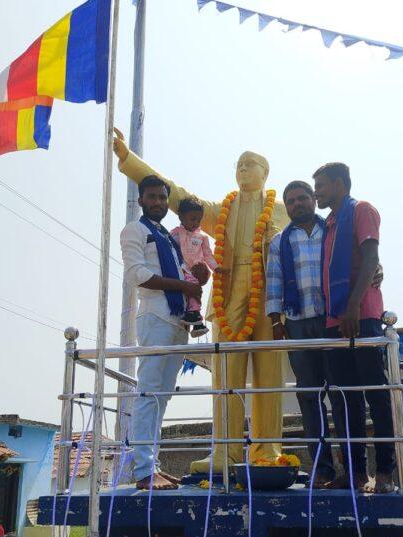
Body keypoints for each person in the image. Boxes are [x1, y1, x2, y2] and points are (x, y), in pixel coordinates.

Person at [114, 128, 289, 473]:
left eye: (250, 164)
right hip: (226, 295)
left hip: (268, 298)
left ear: (265, 173)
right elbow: (175, 195)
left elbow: (314, 237)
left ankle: (268, 450)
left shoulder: (282, 210)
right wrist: (128, 160)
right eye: (238, 164)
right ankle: (226, 451)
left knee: (269, 374)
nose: (242, 169)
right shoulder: (219, 209)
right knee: (225, 373)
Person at [313, 162, 395, 493]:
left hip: (362, 317)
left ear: (338, 184)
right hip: (335, 321)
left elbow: (371, 259)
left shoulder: (361, 210)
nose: (316, 191)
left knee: (376, 393)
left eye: (320, 185)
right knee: (345, 400)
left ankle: (386, 472)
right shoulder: (329, 224)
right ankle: (356, 473)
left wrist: (352, 308)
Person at [120, 175, 202, 490]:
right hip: (154, 316)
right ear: (141, 200)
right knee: (148, 393)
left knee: (162, 397)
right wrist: (182, 285)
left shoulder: (169, 236)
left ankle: (152, 465)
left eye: (162, 198)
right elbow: (136, 274)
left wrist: (197, 277)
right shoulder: (135, 230)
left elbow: (185, 275)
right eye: (152, 197)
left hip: (178, 319)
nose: (157, 203)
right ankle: (142, 472)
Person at [266, 181, 335, 487]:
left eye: (302, 198)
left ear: (313, 200)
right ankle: (322, 468)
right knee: (309, 395)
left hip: (332, 320)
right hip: (297, 322)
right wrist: (275, 322)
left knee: (342, 393)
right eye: (291, 201)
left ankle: (353, 470)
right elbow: (274, 282)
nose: (297, 204)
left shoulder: (333, 230)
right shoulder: (280, 241)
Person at [170, 197, 220, 337]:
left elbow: (208, 255)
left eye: (199, 220)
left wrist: (216, 268)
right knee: (190, 290)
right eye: (192, 219)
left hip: (195, 271)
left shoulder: (202, 237)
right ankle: (195, 320)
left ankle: (194, 317)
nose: (196, 223)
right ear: (181, 217)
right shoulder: (174, 234)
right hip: (179, 269)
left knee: (194, 287)